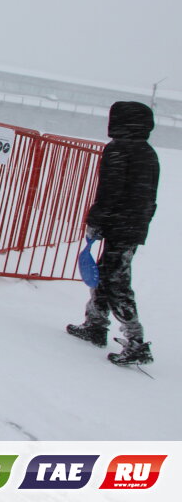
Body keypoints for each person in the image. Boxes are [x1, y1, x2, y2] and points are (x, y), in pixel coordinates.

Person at [66, 101, 159, 366]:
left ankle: (136, 341)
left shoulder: (118, 150)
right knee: (107, 272)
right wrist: (139, 223)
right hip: (134, 225)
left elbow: (109, 192)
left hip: (119, 224)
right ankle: (95, 324)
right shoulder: (148, 152)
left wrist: (96, 221)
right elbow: (149, 195)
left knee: (116, 280)